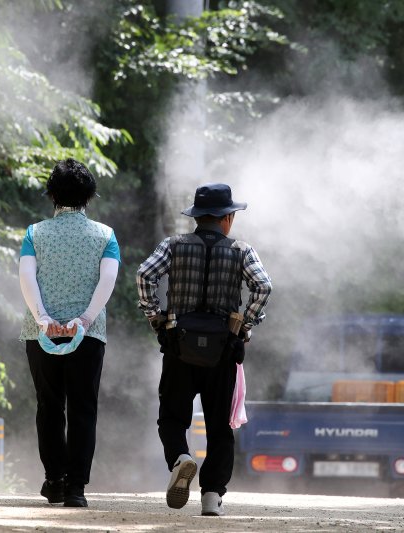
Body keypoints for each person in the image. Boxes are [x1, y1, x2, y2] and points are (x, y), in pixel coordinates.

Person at [136, 183, 271, 516]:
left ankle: (181, 458)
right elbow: (263, 286)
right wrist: (247, 326)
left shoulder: (173, 245)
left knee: (171, 417)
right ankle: (212, 496)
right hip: (222, 351)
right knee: (219, 428)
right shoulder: (241, 249)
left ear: (197, 217)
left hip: (179, 346)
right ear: (226, 218)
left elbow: (144, 275)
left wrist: (155, 317)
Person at [19, 158, 120, 508]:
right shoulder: (106, 235)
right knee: (83, 408)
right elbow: (108, 279)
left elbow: (26, 278)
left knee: (49, 406)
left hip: (41, 332)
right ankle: (76, 488)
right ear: (89, 197)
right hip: (88, 336)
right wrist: (85, 319)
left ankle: (55, 479)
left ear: (52, 194)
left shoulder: (34, 233)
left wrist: (44, 318)